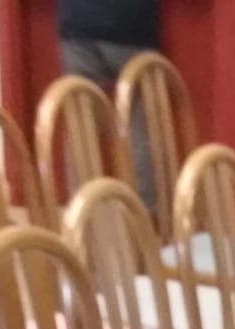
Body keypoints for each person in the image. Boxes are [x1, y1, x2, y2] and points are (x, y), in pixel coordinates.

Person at [57, 0, 159, 203]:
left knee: (80, 124)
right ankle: (143, 209)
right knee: (138, 124)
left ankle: (82, 206)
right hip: (132, 25)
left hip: (77, 21)